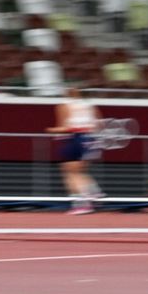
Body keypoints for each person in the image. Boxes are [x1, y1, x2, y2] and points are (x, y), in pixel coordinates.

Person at [47, 86, 102, 215]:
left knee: (70, 173)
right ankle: (94, 191)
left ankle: (82, 204)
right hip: (91, 139)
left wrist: (51, 130)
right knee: (79, 171)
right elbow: (98, 124)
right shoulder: (89, 105)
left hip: (76, 138)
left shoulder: (64, 105)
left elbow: (65, 127)